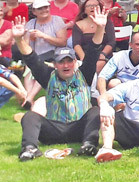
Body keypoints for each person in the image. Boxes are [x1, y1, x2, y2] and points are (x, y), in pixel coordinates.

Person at [15, 12, 107, 161]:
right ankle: (29, 148)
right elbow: (31, 58)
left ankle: (89, 144)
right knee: (30, 116)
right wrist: (19, 39)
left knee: (95, 110)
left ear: (75, 62)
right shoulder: (47, 75)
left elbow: (93, 52)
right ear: (55, 64)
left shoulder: (85, 74)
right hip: (53, 129)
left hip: (79, 128)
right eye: (61, 62)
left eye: (69, 61)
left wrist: (100, 28)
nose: (66, 65)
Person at [96, 31, 139, 98]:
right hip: (121, 90)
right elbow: (102, 77)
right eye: (137, 44)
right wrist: (104, 96)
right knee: (113, 83)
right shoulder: (120, 56)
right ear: (130, 45)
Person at [71, 0, 115, 65]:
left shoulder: (107, 23)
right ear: (84, 10)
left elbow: (111, 42)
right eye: (89, 6)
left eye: (95, 5)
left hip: (103, 55)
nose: (92, 7)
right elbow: (76, 44)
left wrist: (103, 54)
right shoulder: (78, 25)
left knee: (100, 64)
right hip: (84, 55)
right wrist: (84, 58)